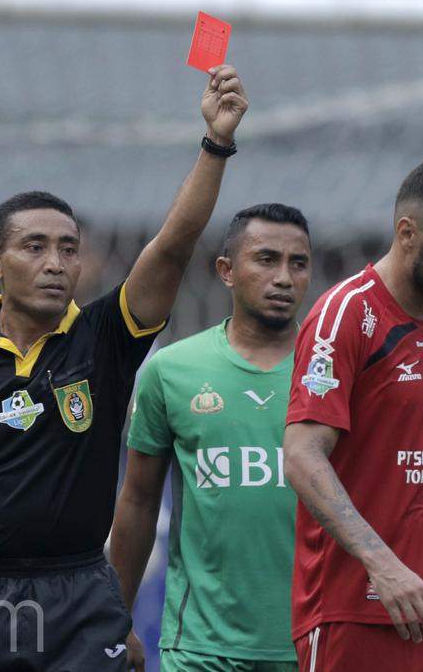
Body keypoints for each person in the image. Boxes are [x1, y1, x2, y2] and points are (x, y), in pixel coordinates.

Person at [0, 65, 249, 670]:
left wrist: (216, 143)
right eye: (34, 247)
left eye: (68, 248)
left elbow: (172, 242)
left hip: (82, 591)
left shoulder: (105, 337)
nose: (56, 262)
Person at [283, 155, 423, 671]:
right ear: (407, 233)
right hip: (357, 610)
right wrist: (383, 565)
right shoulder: (345, 315)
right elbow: (300, 456)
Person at [111, 203, 312, 672]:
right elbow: (139, 499)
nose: (283, 277)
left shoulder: (338, 370)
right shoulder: (172, 371)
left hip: (313, 642)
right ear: (226, 270)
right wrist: (115, 616)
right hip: (202, 648)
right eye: (266, 259)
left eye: (297, 263)